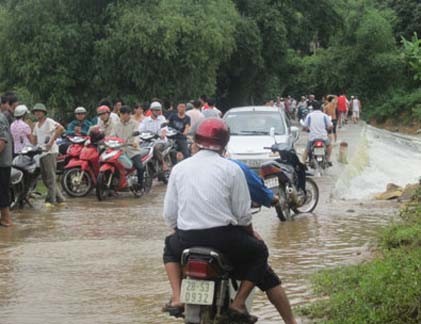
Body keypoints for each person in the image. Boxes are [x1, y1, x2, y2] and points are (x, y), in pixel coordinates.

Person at [162, 118, 297, 324]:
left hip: (187, 239)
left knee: (169, 248)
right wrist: (252, 235)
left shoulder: (179, 169)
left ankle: (177, 296)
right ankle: (239, 303)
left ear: (196, 141)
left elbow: (170, 214)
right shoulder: (232, 169)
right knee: (259, 252)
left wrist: (179, 232)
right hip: (224, 239)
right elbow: (243, 215)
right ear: (224, 144)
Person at [31, 103, 65, 206]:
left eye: (39, 111)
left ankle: (50, 201)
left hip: (50, 152)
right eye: (35, 111)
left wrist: (51, 141)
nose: (37, 113)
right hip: (41, 153)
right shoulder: (36, 125)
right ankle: (60, 199)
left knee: (50, 177)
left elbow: (61, 128)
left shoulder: (49, 121)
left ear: (44, 113)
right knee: (46, 179)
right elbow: (34, 139)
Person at [112, 106, 144, 191]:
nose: (122, 116)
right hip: (120, 150)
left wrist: (135, 142)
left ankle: (140, 186)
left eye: (124, 114)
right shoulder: (116, 124)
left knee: (140, 167)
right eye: (121, 114)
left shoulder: (134, 123)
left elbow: (137, 135)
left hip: (132, 150)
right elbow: (112, 136)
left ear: (129, 114)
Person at [139, 101, 168, 170]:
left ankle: (163, 164)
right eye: (156, 110)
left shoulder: (162, 118)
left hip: (159, 141)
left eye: (159, 110)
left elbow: (164, 128)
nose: (158, 112)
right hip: (147, 142)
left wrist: (163, 134)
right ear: (151, 111)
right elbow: (140, 129)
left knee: (156, 148)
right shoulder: (145, 120)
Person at [0, 109, 13, 226]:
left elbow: (2, 141)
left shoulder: (0, 119)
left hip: (2, 163)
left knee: (2, 191)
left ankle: (6, 220)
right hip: (4, 161)